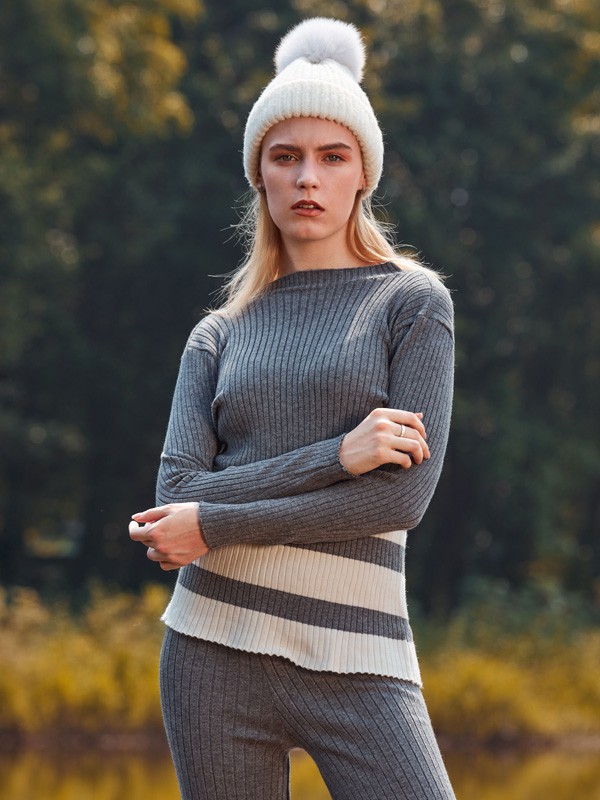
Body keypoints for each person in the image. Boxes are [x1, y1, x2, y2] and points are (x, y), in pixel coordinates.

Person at [130, 17, 456, 800]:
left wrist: (215, 524)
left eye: (332, 156)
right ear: (261, 175)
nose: (308, 177)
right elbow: (177, 495)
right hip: (211, 651)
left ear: (362, 174)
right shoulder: (219, 333)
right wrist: (337, 457)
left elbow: (400, 499)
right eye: (286, 157)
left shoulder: (411, 304)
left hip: (362, 656)